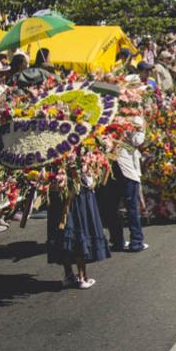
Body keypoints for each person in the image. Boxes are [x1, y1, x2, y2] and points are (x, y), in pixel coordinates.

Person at [46, 178, 111, 289]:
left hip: (57, 192)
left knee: (64, 232)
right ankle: (82, 277)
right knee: (78, 228)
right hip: (76, 192)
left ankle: (69, 275)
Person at [113, 116, 148, 252]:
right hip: (125, 170)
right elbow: (137, 140)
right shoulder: (130, 119)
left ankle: (118, 241)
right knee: (131, 207)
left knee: (114, 208)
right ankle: (136, 242)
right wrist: (141, 127)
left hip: (116, 168)